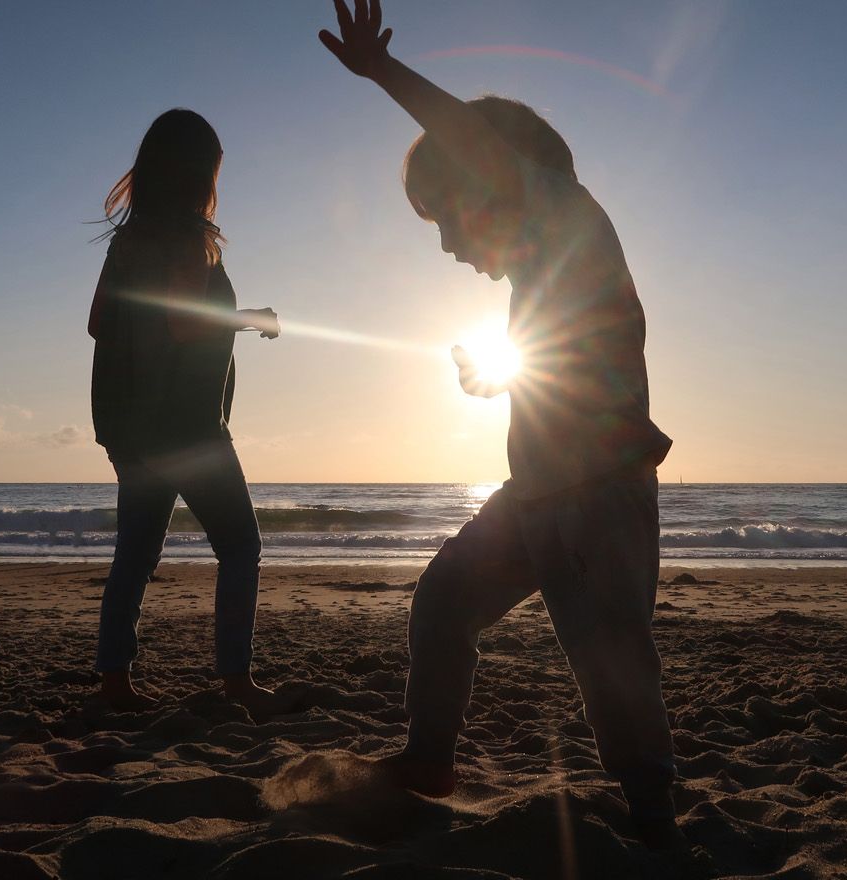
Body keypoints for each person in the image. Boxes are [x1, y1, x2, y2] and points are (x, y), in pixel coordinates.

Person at [319, 0, 681, 848]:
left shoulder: (573, 221)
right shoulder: (541, 278)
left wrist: (384, 74)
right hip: (536, 496)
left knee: (610, 658)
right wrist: (495, 375)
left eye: (448, 216)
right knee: (443, 601)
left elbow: (477, 144)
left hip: (600, 494)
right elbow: (555, 365)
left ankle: (656, 817)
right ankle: (429, 760)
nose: (447, 243)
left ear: (495, 182)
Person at [87, 108, 282, 714]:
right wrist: (251, 318)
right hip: (187, 425)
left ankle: (115, 683)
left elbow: (97, 322)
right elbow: (181, 323)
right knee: (241, 547)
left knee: (137, 555)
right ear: (200, 174)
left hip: (129, 423)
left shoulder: (129, 237)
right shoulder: (188, 239)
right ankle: (236, 681)